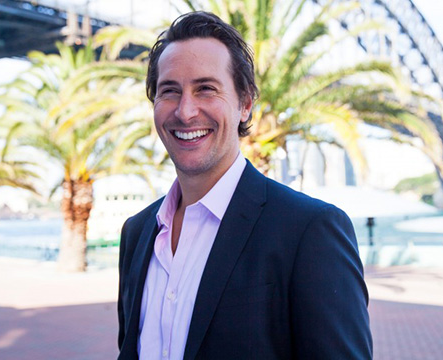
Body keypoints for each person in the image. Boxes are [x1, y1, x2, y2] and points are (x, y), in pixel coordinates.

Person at [117, 11, 372, 360]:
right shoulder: (137, 233)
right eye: (169, 91)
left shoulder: (309, 231)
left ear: (245, 103)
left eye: (206, 89)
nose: (185, 111)